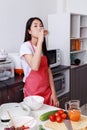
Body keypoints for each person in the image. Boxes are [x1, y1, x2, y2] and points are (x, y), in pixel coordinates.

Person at [19, 17, 59, 107]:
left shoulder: (42, 49)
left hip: (47, 92)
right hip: (33, 93)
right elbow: (34, 67)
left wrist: (54, 93)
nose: (39, 28)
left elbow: (49, 72)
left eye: (41, 26)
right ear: (29, 31)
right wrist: (40, 41)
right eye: (35, 26)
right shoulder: (25, 46)